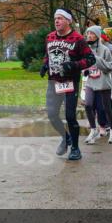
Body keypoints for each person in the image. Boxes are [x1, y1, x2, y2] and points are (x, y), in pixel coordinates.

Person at [41, 9, 95, 161]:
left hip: (70, 83)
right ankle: (66, 137)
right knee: (52, 114)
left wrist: (74, 65)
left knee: (70, 116)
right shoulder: (50, 37)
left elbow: (91, 59)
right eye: (55, 18)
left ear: (68, 21)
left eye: (60, 18)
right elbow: (48, 55)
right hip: (53, 83)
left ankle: (75, 149)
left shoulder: (78, 39)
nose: (57, 21)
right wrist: (45, 65)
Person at [82, 26, 112, 145]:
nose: (89, 36)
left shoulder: (105, 50)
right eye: (88, 34)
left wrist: (96, 59)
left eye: (92, 34)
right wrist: (85, 70)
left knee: (106, 108)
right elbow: (83, 64)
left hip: (103, 83)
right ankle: (93, 130)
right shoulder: (85, 49)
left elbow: (110, 67)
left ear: (97, 36)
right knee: (88, 105)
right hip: (91, 82)